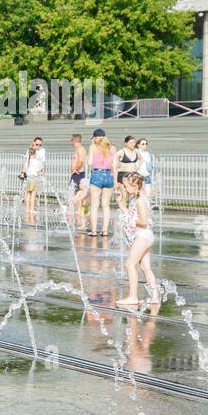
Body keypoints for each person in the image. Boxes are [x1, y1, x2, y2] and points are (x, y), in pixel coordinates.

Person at [117, 172, 158, 306]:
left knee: (129, 264)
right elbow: (132, 215)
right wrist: (122, 206)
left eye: (126, 186)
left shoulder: (140, 200)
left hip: (143, 235)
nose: (124, 188)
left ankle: (133, 297)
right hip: (145, 235)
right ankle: (154, 296)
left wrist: (131, 221)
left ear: (134, 186)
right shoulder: (137, 198)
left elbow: (144, 221)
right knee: (146, 267)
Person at [87, 129, 115, 238]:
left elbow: (90, 163)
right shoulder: (112, 148)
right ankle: (105, 231)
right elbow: (114, 165)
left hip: (97, 175)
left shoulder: (93, 147)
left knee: (94, 205)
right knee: (106, 206)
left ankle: (94, 231)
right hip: (109, 176)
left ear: (95, 137)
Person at [21, 136, 46, 225]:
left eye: (40, 145)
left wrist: (23, 172)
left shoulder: (36, 151)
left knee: (28, 193)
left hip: (30, 175)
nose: (38, 146)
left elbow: (27, 162)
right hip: (33, 175)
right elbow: (29, 162)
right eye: (37, 144)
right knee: (32, 193)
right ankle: (31, 209)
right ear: (33, 143)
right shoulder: (32, 152)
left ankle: (28, 209)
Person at [68, 133, 88, 230]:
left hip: (78, 173)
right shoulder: (78, 149)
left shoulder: (80, 149)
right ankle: (76, 211)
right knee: (76, 192)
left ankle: (77, 212)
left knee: (77, 193)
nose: (71, 143)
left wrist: (75, 169)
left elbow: (81, 161)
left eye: (72, 140)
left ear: (75, 140)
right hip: (77, 173)